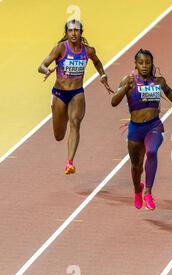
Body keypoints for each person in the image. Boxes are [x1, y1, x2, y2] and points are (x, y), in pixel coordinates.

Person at [111, 49, 172, 210]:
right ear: (136, 64)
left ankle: (148, 192)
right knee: (136, 166)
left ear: (152, 64)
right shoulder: (129, 80)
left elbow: (168, 91)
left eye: (147, 62)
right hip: (135, 129)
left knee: (152, 152)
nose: (144, 66)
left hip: (154, 126)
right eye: (141, 62)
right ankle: (137, 190)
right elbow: (113, 102)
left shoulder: (158, 81)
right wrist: (124, 88)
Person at [38, 19, 114, 174]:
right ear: (66, 33)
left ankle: (70, 162)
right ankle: (60, 112)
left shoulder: (88, 51)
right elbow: (41, 65)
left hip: (77, 93)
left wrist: (103, 75)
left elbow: (97, 62)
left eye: (76, 30)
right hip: (60, 94)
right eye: (70, 30)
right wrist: (46, 71)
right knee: (59, 136)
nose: (73, 33)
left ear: (81, 33)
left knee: (75, 123)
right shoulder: (60, 48)